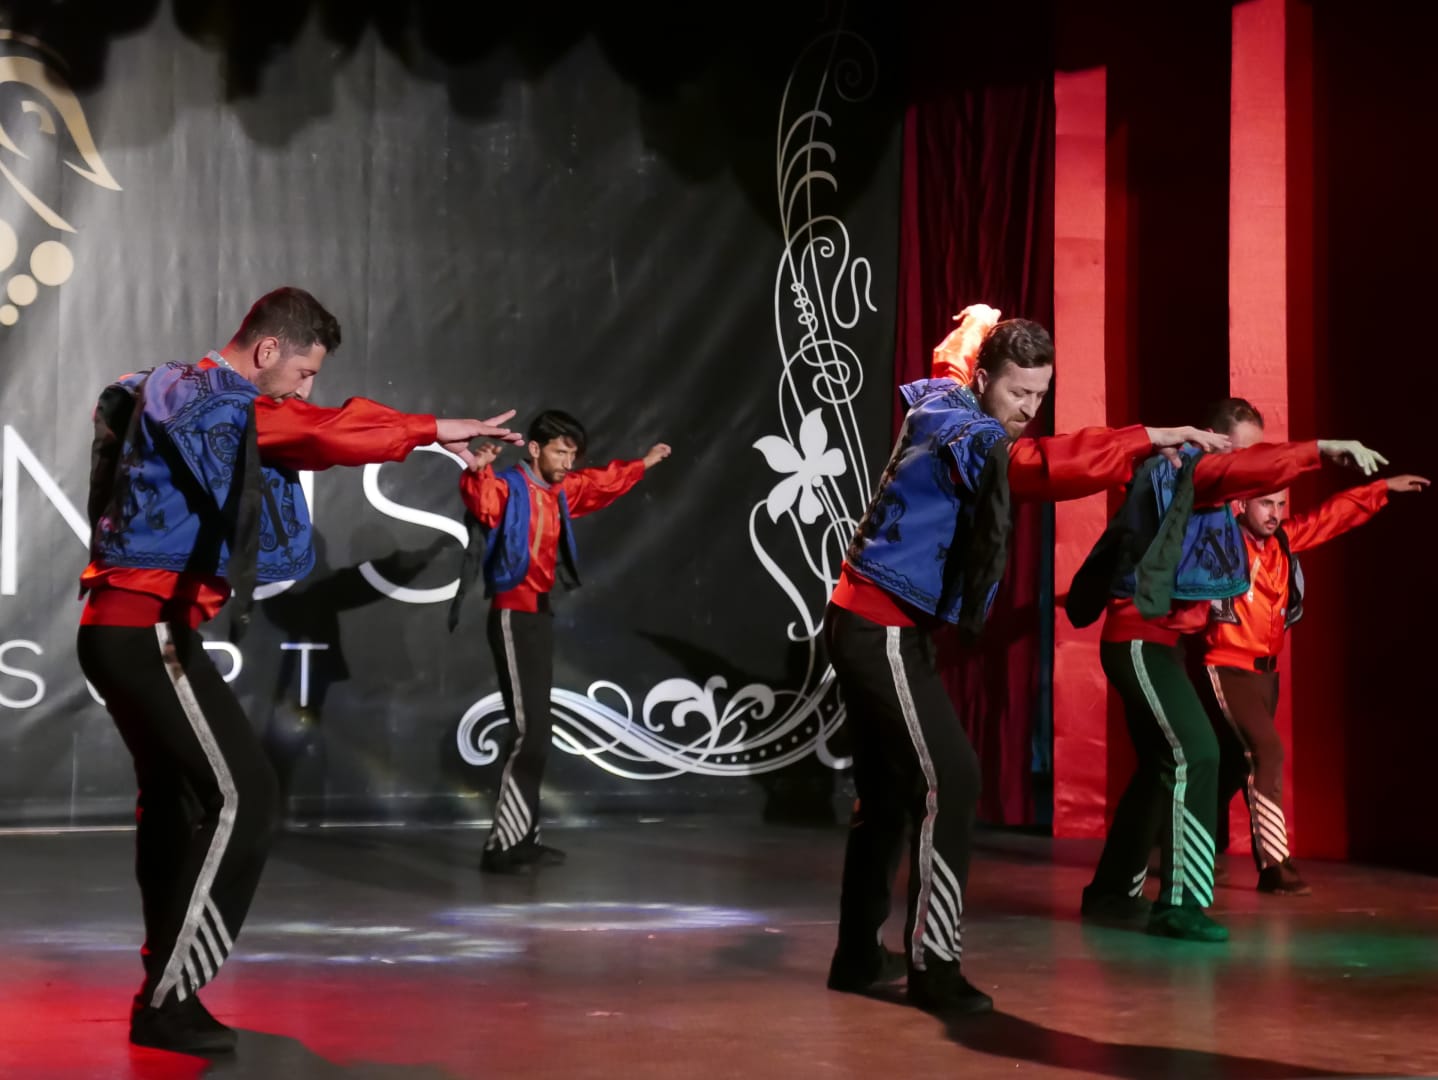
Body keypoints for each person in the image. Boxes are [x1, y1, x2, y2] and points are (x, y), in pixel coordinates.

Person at [76, 286, 522, 1054]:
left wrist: (419, 434)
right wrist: (429, 429)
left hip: (142, 627)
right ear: (267, 349)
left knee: (179, 803)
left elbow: (305, 428)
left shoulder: (208, 400)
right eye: (304, 371)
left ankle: (166, 992)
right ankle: (167, 999)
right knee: (245, 796)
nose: (305, 389)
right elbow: (313, 431)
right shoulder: (196, 393)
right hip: (142, 628)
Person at [823, 307, 1232, 1015]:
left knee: (891, 793)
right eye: (1018, 392)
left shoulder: (954, 387)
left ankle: (857, 956)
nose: (1028, 409)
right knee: (953, 780)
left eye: (1041, 395)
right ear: (985, 381)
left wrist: (980, 318)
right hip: (878, 627)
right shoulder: (963, 429)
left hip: (877, 623)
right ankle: (935, 967)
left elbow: (954, 354)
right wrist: (1148, 437)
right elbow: (1040, 467)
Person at [1075, 397, 1388, 942]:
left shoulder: (1218, 494)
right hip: (1139, 639)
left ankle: (1111, 892)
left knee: (1157, 766)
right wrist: (1321, 449)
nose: (1249, 467)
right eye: (1242, 454)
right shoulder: (1197, 471)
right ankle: (1181, 904)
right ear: (1217, 442)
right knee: (1199, 753)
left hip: (1162, 644)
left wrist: (1371, 492)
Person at [452, 410, 670, 873]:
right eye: (560, 452)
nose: (568, 462)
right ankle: (502, 845)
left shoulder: (560, 490)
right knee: (529, 729)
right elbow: (484, 504)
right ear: (535, 448)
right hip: (512, 614)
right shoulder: (510, 487)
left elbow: (601, 483)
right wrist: (478, 470)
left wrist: (644, 464)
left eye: (573, 454)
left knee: (538, 729)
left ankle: (523, 837)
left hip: (539, 615)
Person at [1200, 469, 1429, 894]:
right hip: (1227, 664)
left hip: (1266, 673)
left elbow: (1330, 516)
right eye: (1266, 504)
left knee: (1232, 765)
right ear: (1241, 505)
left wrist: (1380, 489)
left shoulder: (1283, 541)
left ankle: (1182, 844)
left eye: (1280, 504)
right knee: (1267, 752)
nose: (1275, 513)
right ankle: (1275, 866)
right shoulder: (1223, 540)